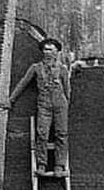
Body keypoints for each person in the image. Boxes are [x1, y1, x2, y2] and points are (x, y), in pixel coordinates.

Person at [5, 38, 71, 177]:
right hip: (44, 105)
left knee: (62, 134)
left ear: (57, 52)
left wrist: (64, 104)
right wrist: (11, 100)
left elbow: (67, 90)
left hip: (60, 105)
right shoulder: (36, 68)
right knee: (42, 134)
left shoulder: (63, 69)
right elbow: (23, 83)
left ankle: (59, 166)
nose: (48, 52)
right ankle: (42, 164)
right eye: (45, 49)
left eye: (51, 49)